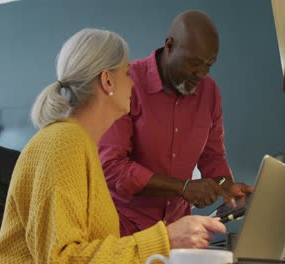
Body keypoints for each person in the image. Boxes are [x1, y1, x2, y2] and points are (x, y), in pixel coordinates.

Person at [0, 28, 226, 264]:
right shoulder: (63, 142)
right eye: (128, 74)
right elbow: (62, 259)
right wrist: (166, 240)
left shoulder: (81, 144)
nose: (134, 84)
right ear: (107, 80)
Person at [98, 10, 254, 236]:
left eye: (209, 65)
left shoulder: (210, 92)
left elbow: (212, 157)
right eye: (194, 63)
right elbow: (112, 166)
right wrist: (182, 188)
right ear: (169, 46)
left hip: (178, 231)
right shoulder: (128, 82)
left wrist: (226, 186)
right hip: (124, 232)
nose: (201, 74)